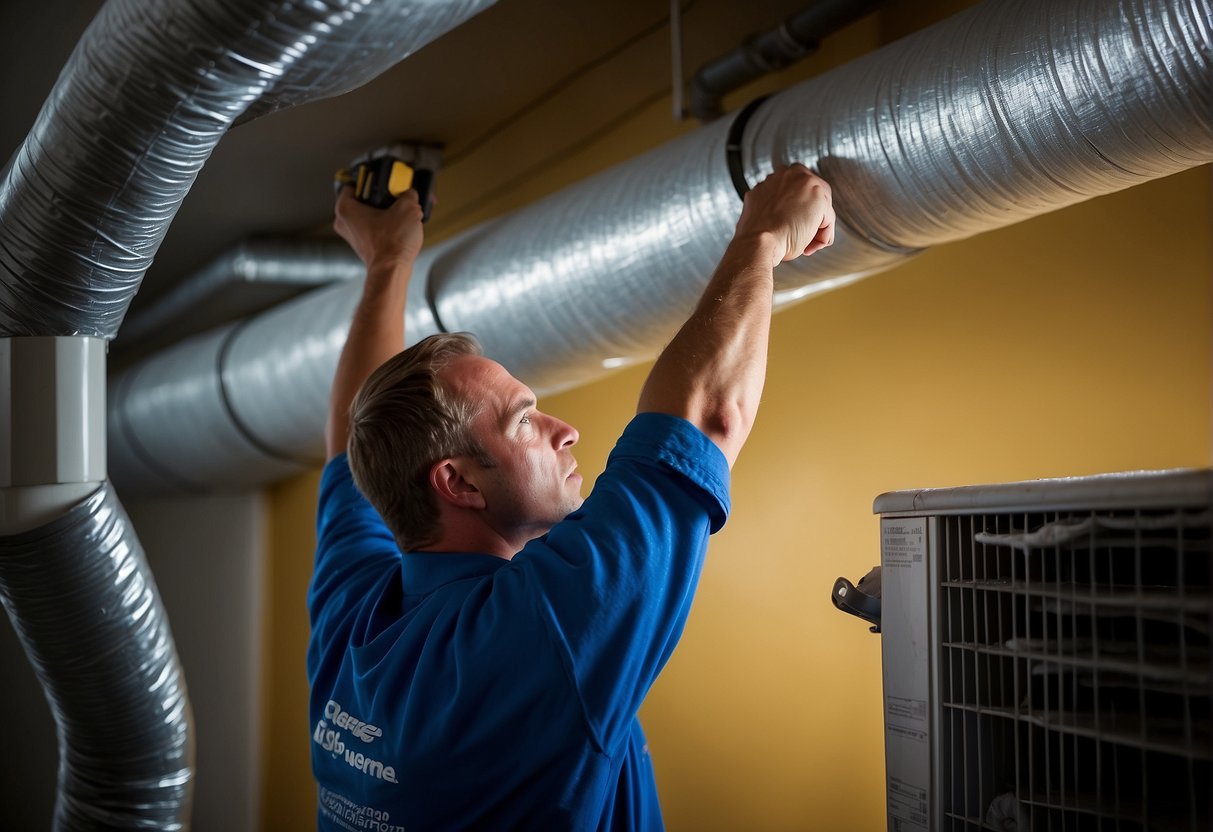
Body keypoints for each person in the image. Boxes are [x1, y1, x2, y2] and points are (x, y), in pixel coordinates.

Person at [308, 165, 835, 830]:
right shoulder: (535, 628)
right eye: (523, 421)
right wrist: (763, 235)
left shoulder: (353, 612)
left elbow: (348, 443)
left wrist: (388, 261)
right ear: (459, 483)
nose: (565, 431)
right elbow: (704, 421)